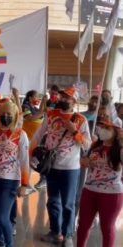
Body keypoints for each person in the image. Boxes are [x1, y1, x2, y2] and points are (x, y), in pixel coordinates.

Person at [32, 87, 92, 247]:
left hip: (71, 169)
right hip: (51, 167)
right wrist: (31, 151)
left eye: (68, 98)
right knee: (53, 201)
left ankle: (68, 235)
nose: (64, 99)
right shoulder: (51, 115)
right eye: (63, 96)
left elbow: (87, 145)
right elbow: (39, 134)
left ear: (75, 102)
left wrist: (74, 132)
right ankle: (55, 232)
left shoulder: (80, 120)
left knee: (68, 203)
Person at [0, 100, 30, 247]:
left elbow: (25, 160)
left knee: (2, 215)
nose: (5, 116)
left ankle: (9, 244)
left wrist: (24, 184)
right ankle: (1, 243)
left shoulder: (20, 135)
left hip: (9, 181)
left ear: (15, 115)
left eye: (9, 114)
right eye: (3, 113)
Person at [77, 118, 123, 247]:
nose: (102, 130)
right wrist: (84, 162)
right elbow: (84, 160)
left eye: (107, 128)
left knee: (107, 228)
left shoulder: (119, 149)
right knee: (83, 226)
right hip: (89, 190)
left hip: (111, 194)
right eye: (101, 127)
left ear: (116, 131)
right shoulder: (95, 146)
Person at [22, 90, 47, 191]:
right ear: (30, 98)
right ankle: (24, 183)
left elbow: (41, 111)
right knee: (27, 162)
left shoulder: (35, 108)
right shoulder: (26, 106)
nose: (38, 99)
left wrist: (44, 101)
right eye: (36, 97)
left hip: (36, 140)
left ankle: (28, 182)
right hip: (28, 139)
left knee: (33, 162)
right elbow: (30, 118)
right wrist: (42, 113)